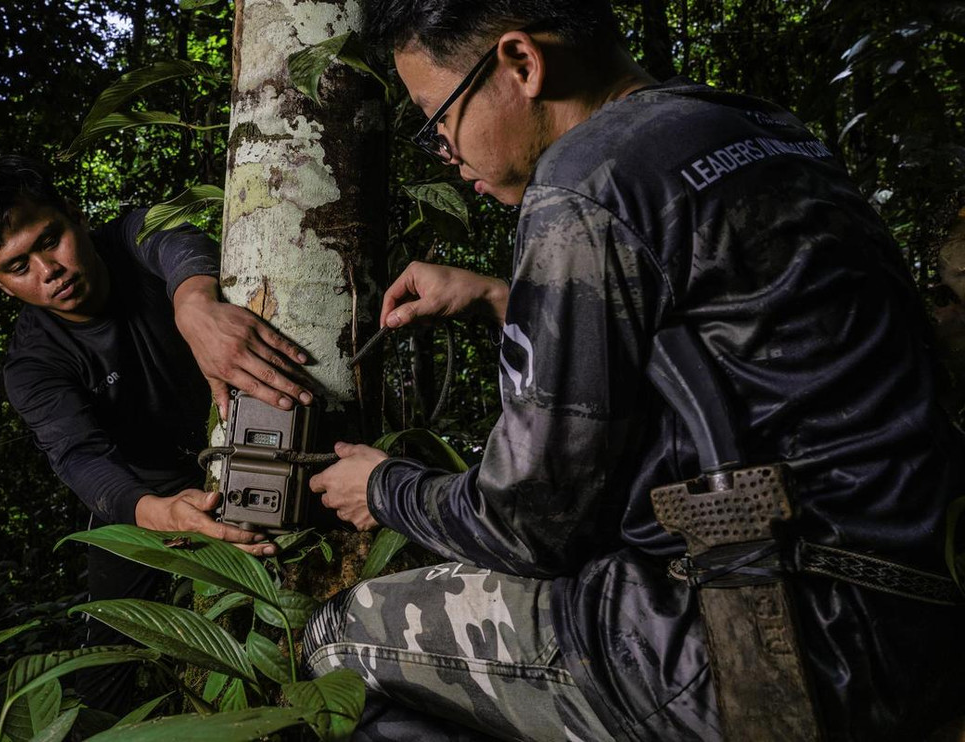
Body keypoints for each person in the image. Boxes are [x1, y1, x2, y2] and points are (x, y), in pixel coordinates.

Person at [304, 2, 965, 740]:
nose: (446, 153)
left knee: (342, 636)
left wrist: (385, 488)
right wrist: (500, 297)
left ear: (520, 63)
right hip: (922, 605)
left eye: (439, 120)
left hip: (773, 629)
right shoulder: (755, 126)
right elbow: (728, 350)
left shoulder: (585, 177)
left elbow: (530, 523)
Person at [0, 155, 313, 713]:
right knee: (107, 670)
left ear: (75, 215)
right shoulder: (32, 364)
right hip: (148, 488)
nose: (49, 270)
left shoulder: (130, 236)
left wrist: (194, 304)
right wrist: (156, 512)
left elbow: (176, 242)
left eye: (51, 240)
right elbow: (79, 458)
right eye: (18, 266)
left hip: (246, 442)